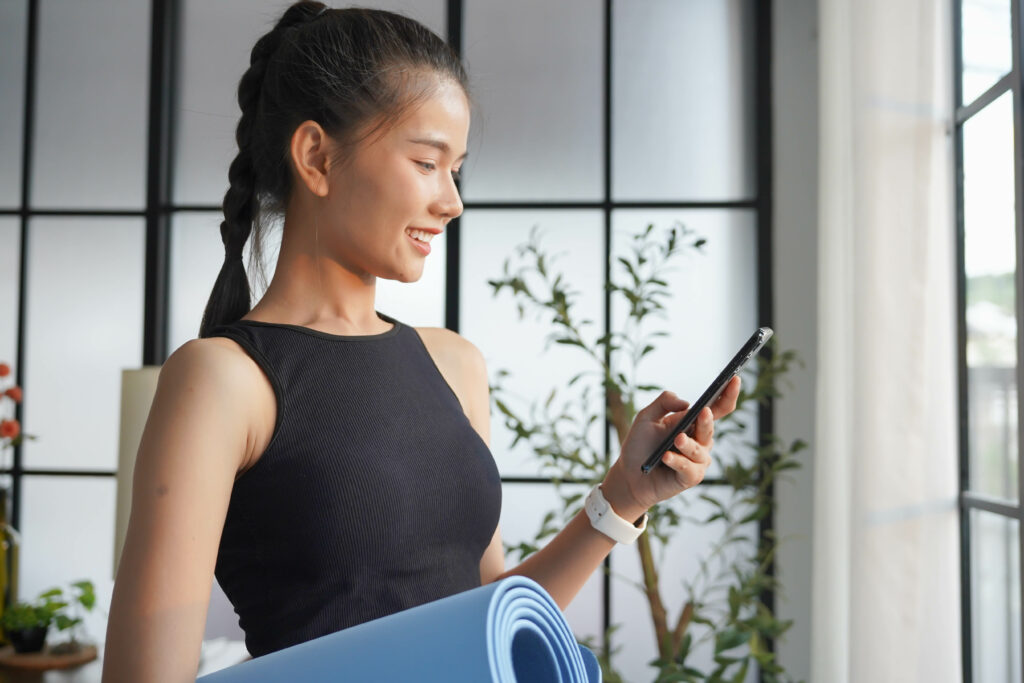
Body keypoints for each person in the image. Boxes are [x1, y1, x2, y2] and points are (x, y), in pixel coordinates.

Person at [101, 3, 740, 681]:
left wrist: (626, 494)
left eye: (456, 168)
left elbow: (488, 620)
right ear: (317, 156)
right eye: (427, 163)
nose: (453, 200)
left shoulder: (455, 364)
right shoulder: (223, 380)